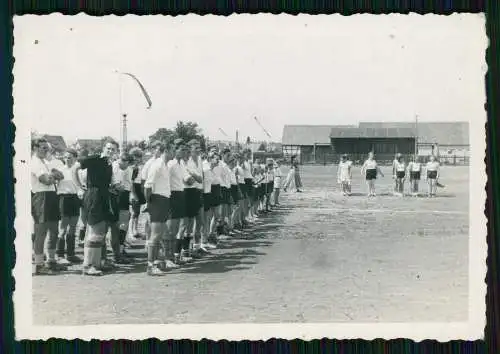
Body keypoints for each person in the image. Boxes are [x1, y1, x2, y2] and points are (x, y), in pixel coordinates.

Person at [73, 138, 119, 276]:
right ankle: (88, 265)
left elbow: (105, 183)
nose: (110, 151)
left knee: (100, 232)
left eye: (113, 149)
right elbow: (75, 167)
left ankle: (96, 263)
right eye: (108, 148)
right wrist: (79, 187)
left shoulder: (108, 163)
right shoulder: (95, 158)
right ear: (103, 148)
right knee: (94, 231)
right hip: (93, 197)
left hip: (103, 197)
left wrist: (114, 188)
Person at [31, 138, 64, 275]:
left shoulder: (46, 162)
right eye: (43, 148)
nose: (46, 151)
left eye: (47, 148)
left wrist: (53, 176)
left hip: (51, 196)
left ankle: (51, 261)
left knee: (54, 230)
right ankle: (39, 265)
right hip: (41, 197)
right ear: (35, 148)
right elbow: (46, 181)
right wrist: (53, 175)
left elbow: (60, 176)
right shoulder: (34, 162)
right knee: (41, 233)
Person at [143, 142, 170, 275]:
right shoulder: (157, 164)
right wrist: (149, 203)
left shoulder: (164, 165)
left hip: (164, 200)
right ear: (168, 150)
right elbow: (148, 186)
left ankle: (157, 262)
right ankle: (150, 266)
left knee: (159, 234)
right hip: (157, 200)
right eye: (173, 151)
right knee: (155, 235)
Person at [166, 139, 193, 265]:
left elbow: (187, 179)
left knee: (178, 228)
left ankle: (174, 256)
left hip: (180, 194)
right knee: (171, 229)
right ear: (175, 150)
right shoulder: (170, 164)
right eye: (181, 149)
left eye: (184, 150)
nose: (183, 152)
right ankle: (168, 258)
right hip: (172, 195)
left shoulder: (181, 163)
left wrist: (191, 177)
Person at [55, 148, 82, 265]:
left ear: (75, 158)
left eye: (70, 157)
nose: (67, 159)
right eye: (65, 157)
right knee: (63, 228)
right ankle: (59, 255)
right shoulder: (59, 170)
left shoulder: (79, 170)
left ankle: (71, 254)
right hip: (64, 199)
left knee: (73, 227)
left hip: (75, 199)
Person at [129, 147, 146, 239]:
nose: (137, 159)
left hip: (139, 188)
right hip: (133, 189)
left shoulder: (141, 166)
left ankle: (135, 230)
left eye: (138, 157)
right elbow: (131, 182)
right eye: (135, 157)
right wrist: (133, 194)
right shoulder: (132, 168)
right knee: (133, 213)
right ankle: (130, 232)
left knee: (137, 212)